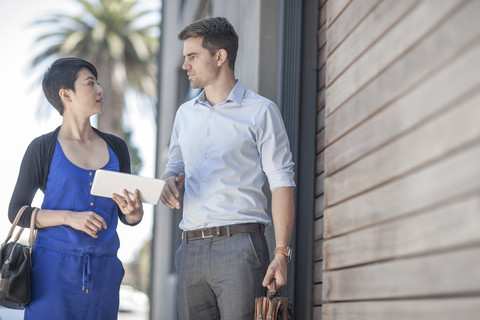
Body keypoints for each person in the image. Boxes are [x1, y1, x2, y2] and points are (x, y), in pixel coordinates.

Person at [160, 17, 296, 320]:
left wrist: (281, 253)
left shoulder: (261, 111)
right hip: (190, 250)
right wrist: (169, 182)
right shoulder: (185, 114)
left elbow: (282, 181)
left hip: (241, 249)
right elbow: (174, 166)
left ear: (220, 56)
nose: (185, 65)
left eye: (193, 56)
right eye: (185, 58)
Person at [8, 57, 144, 319]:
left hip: (104, 274)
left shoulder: (117, 148)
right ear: (66, 94)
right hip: (51, 276)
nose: (99, 90)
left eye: (98, 83)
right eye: (90, 83)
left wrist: (134, 214)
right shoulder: (42, 148)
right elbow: (17, 211)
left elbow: (127, 216)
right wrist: (69, 218)